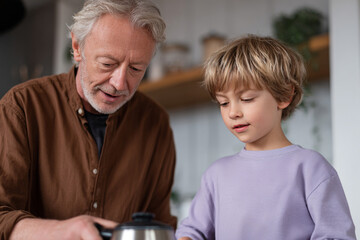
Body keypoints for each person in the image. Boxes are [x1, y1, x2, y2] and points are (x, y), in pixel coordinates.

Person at [0, 0, 177, 239]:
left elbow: (160, 223)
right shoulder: (21, 107)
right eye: (107, 63)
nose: (119, 83)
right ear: (77, 47)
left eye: (136, 69)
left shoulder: (155, 123)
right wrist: (61, 231)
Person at [176, 35, 356, 240]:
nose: (233, 112)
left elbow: (336, 236)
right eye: (223, 103)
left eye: (246, 99)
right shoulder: (216, 175)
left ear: (284, 96)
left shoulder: (310, 168)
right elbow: (192, 232)